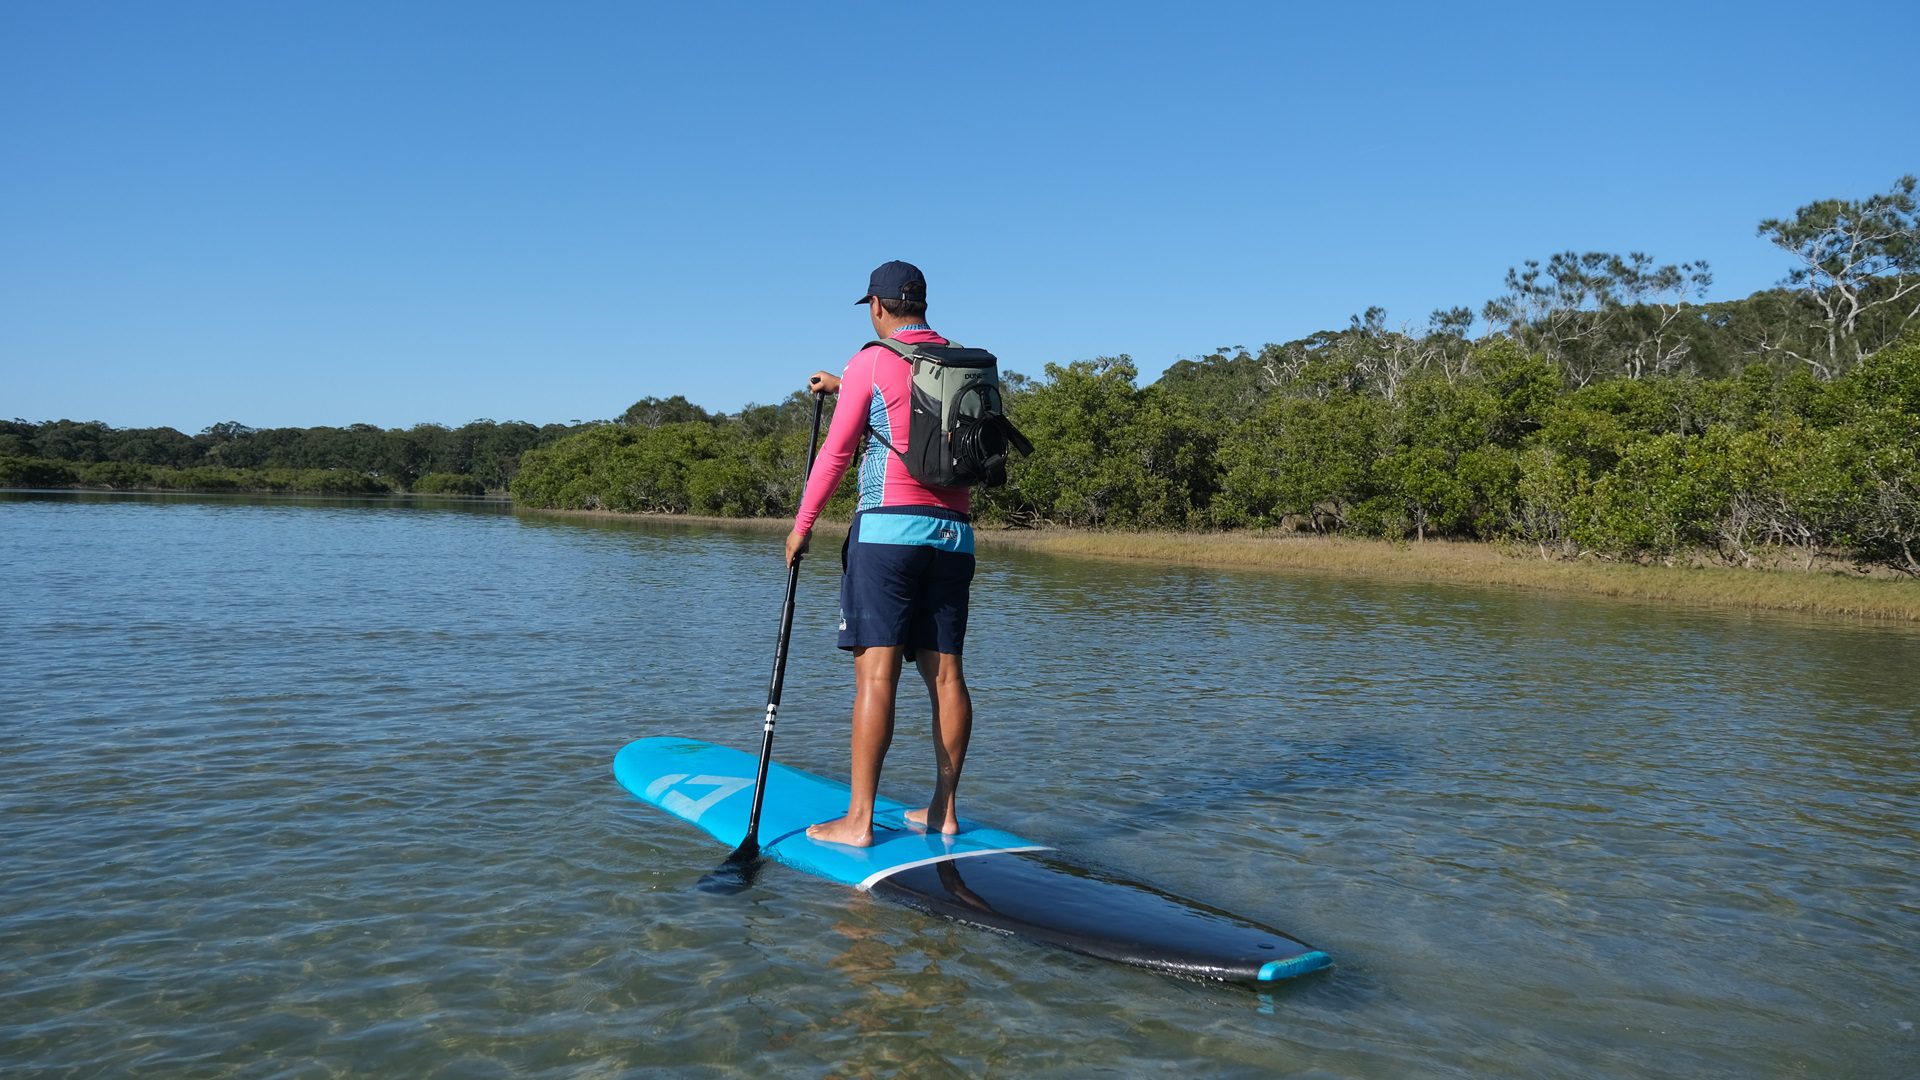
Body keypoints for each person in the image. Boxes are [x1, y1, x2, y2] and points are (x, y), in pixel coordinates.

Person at [785, 260, 976, 848]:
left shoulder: (871, 358)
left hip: (887, 533)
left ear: (877, 307)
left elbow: (837, 454)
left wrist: (802, 526)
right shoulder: (960, 362)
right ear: (921, 304)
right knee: (945, 675)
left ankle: (859, 821)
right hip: (954, 536)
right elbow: (913, 410)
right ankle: (943, 811)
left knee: (876, 673)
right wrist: (845, 388)